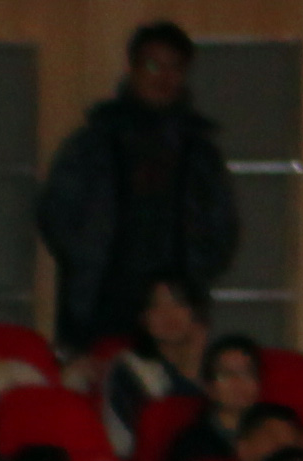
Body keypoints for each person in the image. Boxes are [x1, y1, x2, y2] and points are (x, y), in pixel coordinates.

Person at [35, 18, 232, 346]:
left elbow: (223, 225)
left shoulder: (200, 151)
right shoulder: (93, 141)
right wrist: (86, 259)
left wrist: (196, 273)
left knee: (175, 377)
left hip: (177, 303)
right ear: (132, 69)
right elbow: (55, 212)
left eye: (175, 68)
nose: (164, 78)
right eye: (153, 66)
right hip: (101, 298)